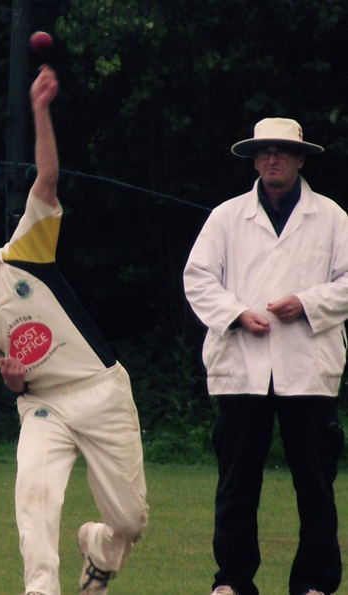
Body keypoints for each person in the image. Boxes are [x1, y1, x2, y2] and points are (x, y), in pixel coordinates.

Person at [0, 65, 148, 595]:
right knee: (34, 495)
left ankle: (99, 546)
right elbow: (16, 381)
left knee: (130, 521)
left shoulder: (26, 253)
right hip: (45, 406)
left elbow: (46, 179)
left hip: (100, 389)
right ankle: (40, 588)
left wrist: (41, 110)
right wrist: (12, 379)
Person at [183, 118, 346, 595]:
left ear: (300, 159)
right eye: (264, 152)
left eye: (282, 151)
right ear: (254, 161)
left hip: (308, 366)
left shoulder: (332, 217)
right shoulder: (226, 217)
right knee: (237, 484)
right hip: (241, 366)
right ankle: (232, 581)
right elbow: (198, 278)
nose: (272, 158)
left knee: (315, 484)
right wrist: (236, 314)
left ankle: (315, 583)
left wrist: (307, 303)